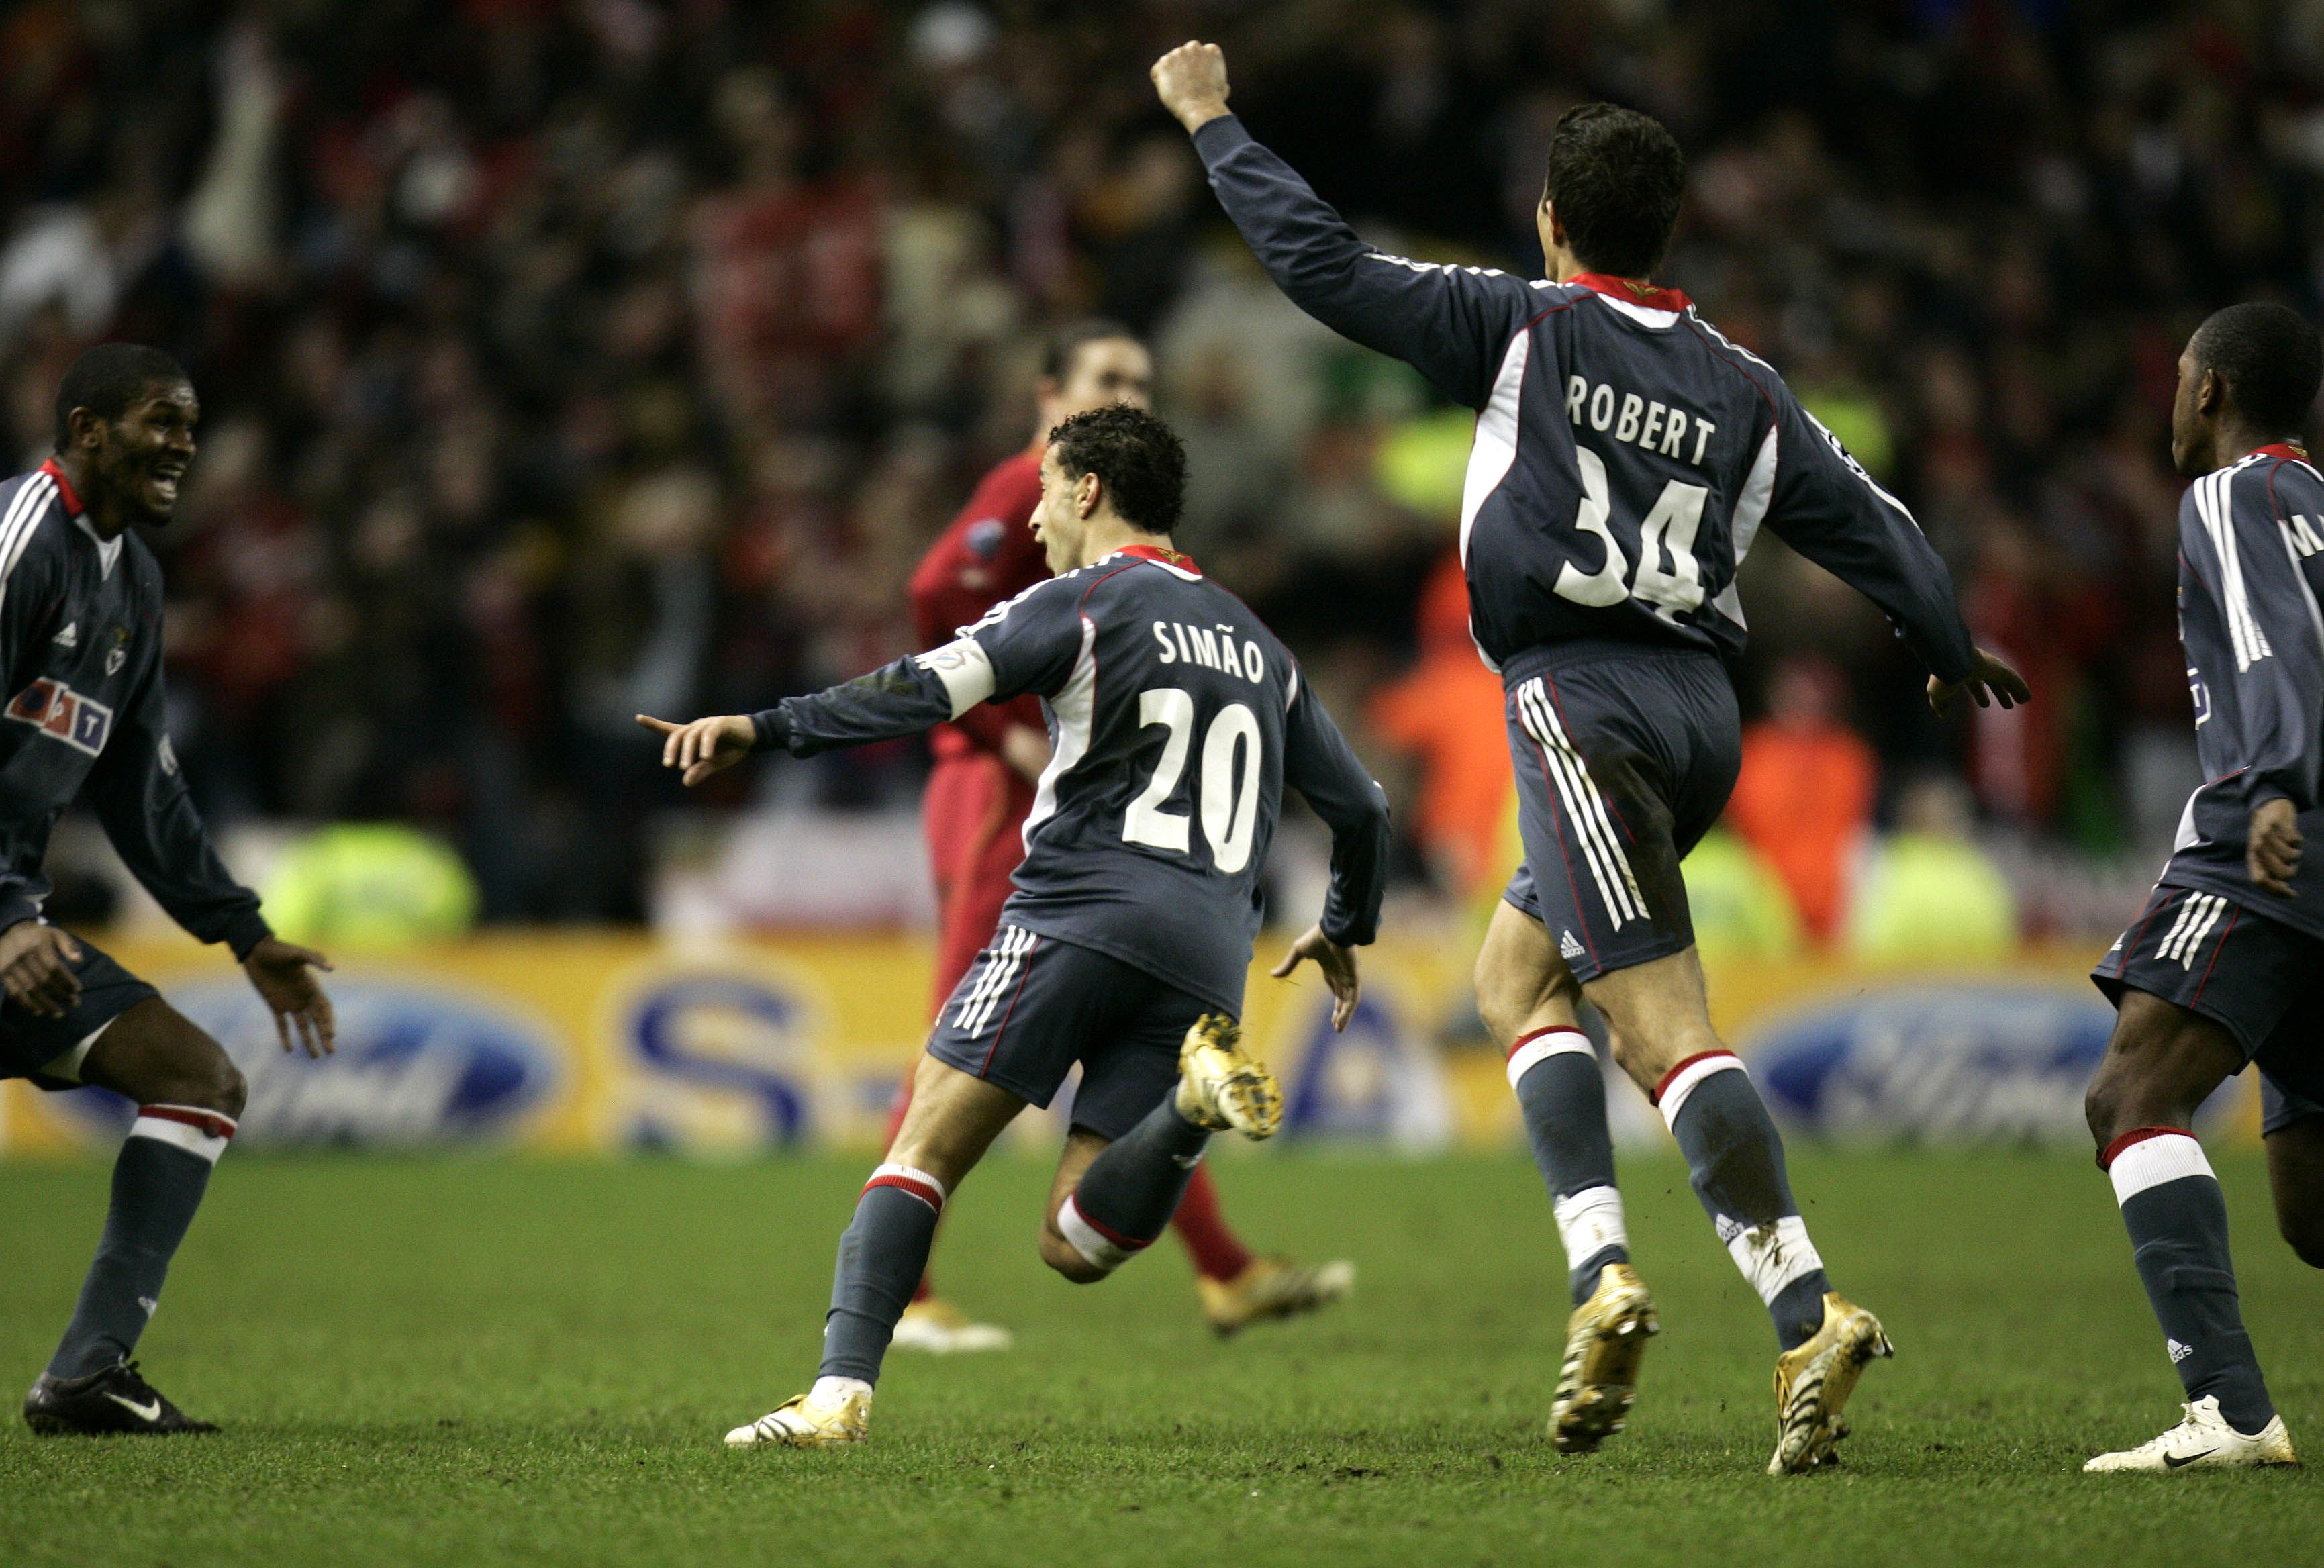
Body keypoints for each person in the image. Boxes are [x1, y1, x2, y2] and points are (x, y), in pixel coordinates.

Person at [1151, 44, 2028, 1473]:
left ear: (1549, 219)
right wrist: (1943, 641)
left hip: (1580, 703)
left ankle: (1805, 1308)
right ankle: (1600, 1274)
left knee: (1659, 1025)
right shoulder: (1743, 382)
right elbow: (1874, 523)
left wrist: (1211, 121)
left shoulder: (1520, 325)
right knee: (1515, 976)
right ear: (1670, 229)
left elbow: (1320, 264)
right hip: (1701, 719)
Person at [641, 405, 1390, 1447]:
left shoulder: (1077, 603)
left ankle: (836, 1397)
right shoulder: (1261, 646)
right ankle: (1189, 1107)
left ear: (1088, 490)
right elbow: (1363, 808)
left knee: (922, 1150)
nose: (1033, 519)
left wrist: (763, 729)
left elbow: (920, 689)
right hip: (1208, 952)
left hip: (1077, 915)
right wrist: (1345, 923)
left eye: (1043, 491)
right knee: (1075, 1243)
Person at [891, 321, 1353, 1354]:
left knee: (1124, 1046)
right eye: (1106, 377)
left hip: (1074, 807)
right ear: (1048, 393)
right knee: (954, 1036)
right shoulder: (1029, 484)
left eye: (1141, 379)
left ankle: (1224, 1269)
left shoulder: (1108, 519)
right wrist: (1007, 737)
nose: (1129, 393)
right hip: (997, 794)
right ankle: (909, 1292)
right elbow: (932, 595)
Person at [10, 344, 336, 1436]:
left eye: (191, 426)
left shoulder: (132, 579)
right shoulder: (20, 546)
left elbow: (139, 784)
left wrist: (242, 932)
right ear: (87, 430)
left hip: (14, 924)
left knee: (197, 1079)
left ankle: (88, 1374)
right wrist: (7, 913)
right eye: (162, 421)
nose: (183, 446)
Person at [2081, 302, 2324, 1473]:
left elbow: (2281, 645)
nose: (2171, 400)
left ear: (2211, 390)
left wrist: (2274, 780)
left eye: (2180, 378)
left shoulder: (2234, 493)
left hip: (2272, 838)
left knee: (2130, 1094)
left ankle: (2227, 1412)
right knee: (2312, 1210)